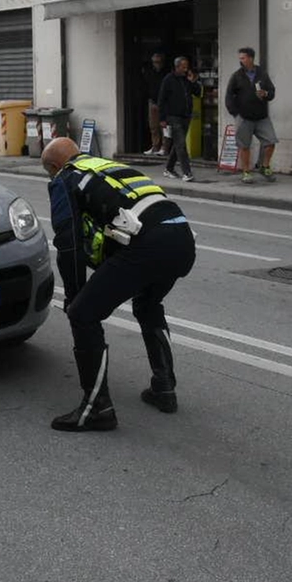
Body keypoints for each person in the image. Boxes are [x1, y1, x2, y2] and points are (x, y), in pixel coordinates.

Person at [41, 137, 196, 432]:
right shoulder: (109, 166)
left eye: (48, 172)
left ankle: (96, 407)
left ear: (53, 166)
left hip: (150, 244)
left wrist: (74, 295)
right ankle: (163, 387)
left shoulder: (65, 178)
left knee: (83, 314)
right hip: (182, 239)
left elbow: (68, 243)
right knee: (148, 304)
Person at [225, 47, 278, 184]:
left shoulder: (262, 73)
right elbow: (229, 95)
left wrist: (266, 94)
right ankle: (246, 172)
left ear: (250, 58)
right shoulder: (237, 76)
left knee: (271, 141)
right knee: (244, 146)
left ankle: (264, 166)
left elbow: (272, 91)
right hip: (244, 116)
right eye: (240, 58)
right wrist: (235, 113)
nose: (240, 60)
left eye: (243, 58)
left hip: (261, 116)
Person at [156, 56, 201, 182]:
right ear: (177, 67)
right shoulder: (168, 80)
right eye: (183, 66)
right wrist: (162, 118)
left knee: (178, 145)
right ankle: (187, 172)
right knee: (181, 144)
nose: (186, 69)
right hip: (173, 116)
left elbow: (197, 93)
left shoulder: (186, 80)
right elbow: (161, 99)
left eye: (187, 66)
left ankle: (169, 169)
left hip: (186, 116)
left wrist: (193, 81)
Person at [141, 53, 170, 155]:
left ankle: (164, 147)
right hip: (152, 101)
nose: (156, 64)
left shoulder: (166, 73)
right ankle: (155, 146)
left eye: (158, 62)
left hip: (164, 102)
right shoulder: (149, 72)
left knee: (164, 125)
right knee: (153, 126)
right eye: (154, 62)